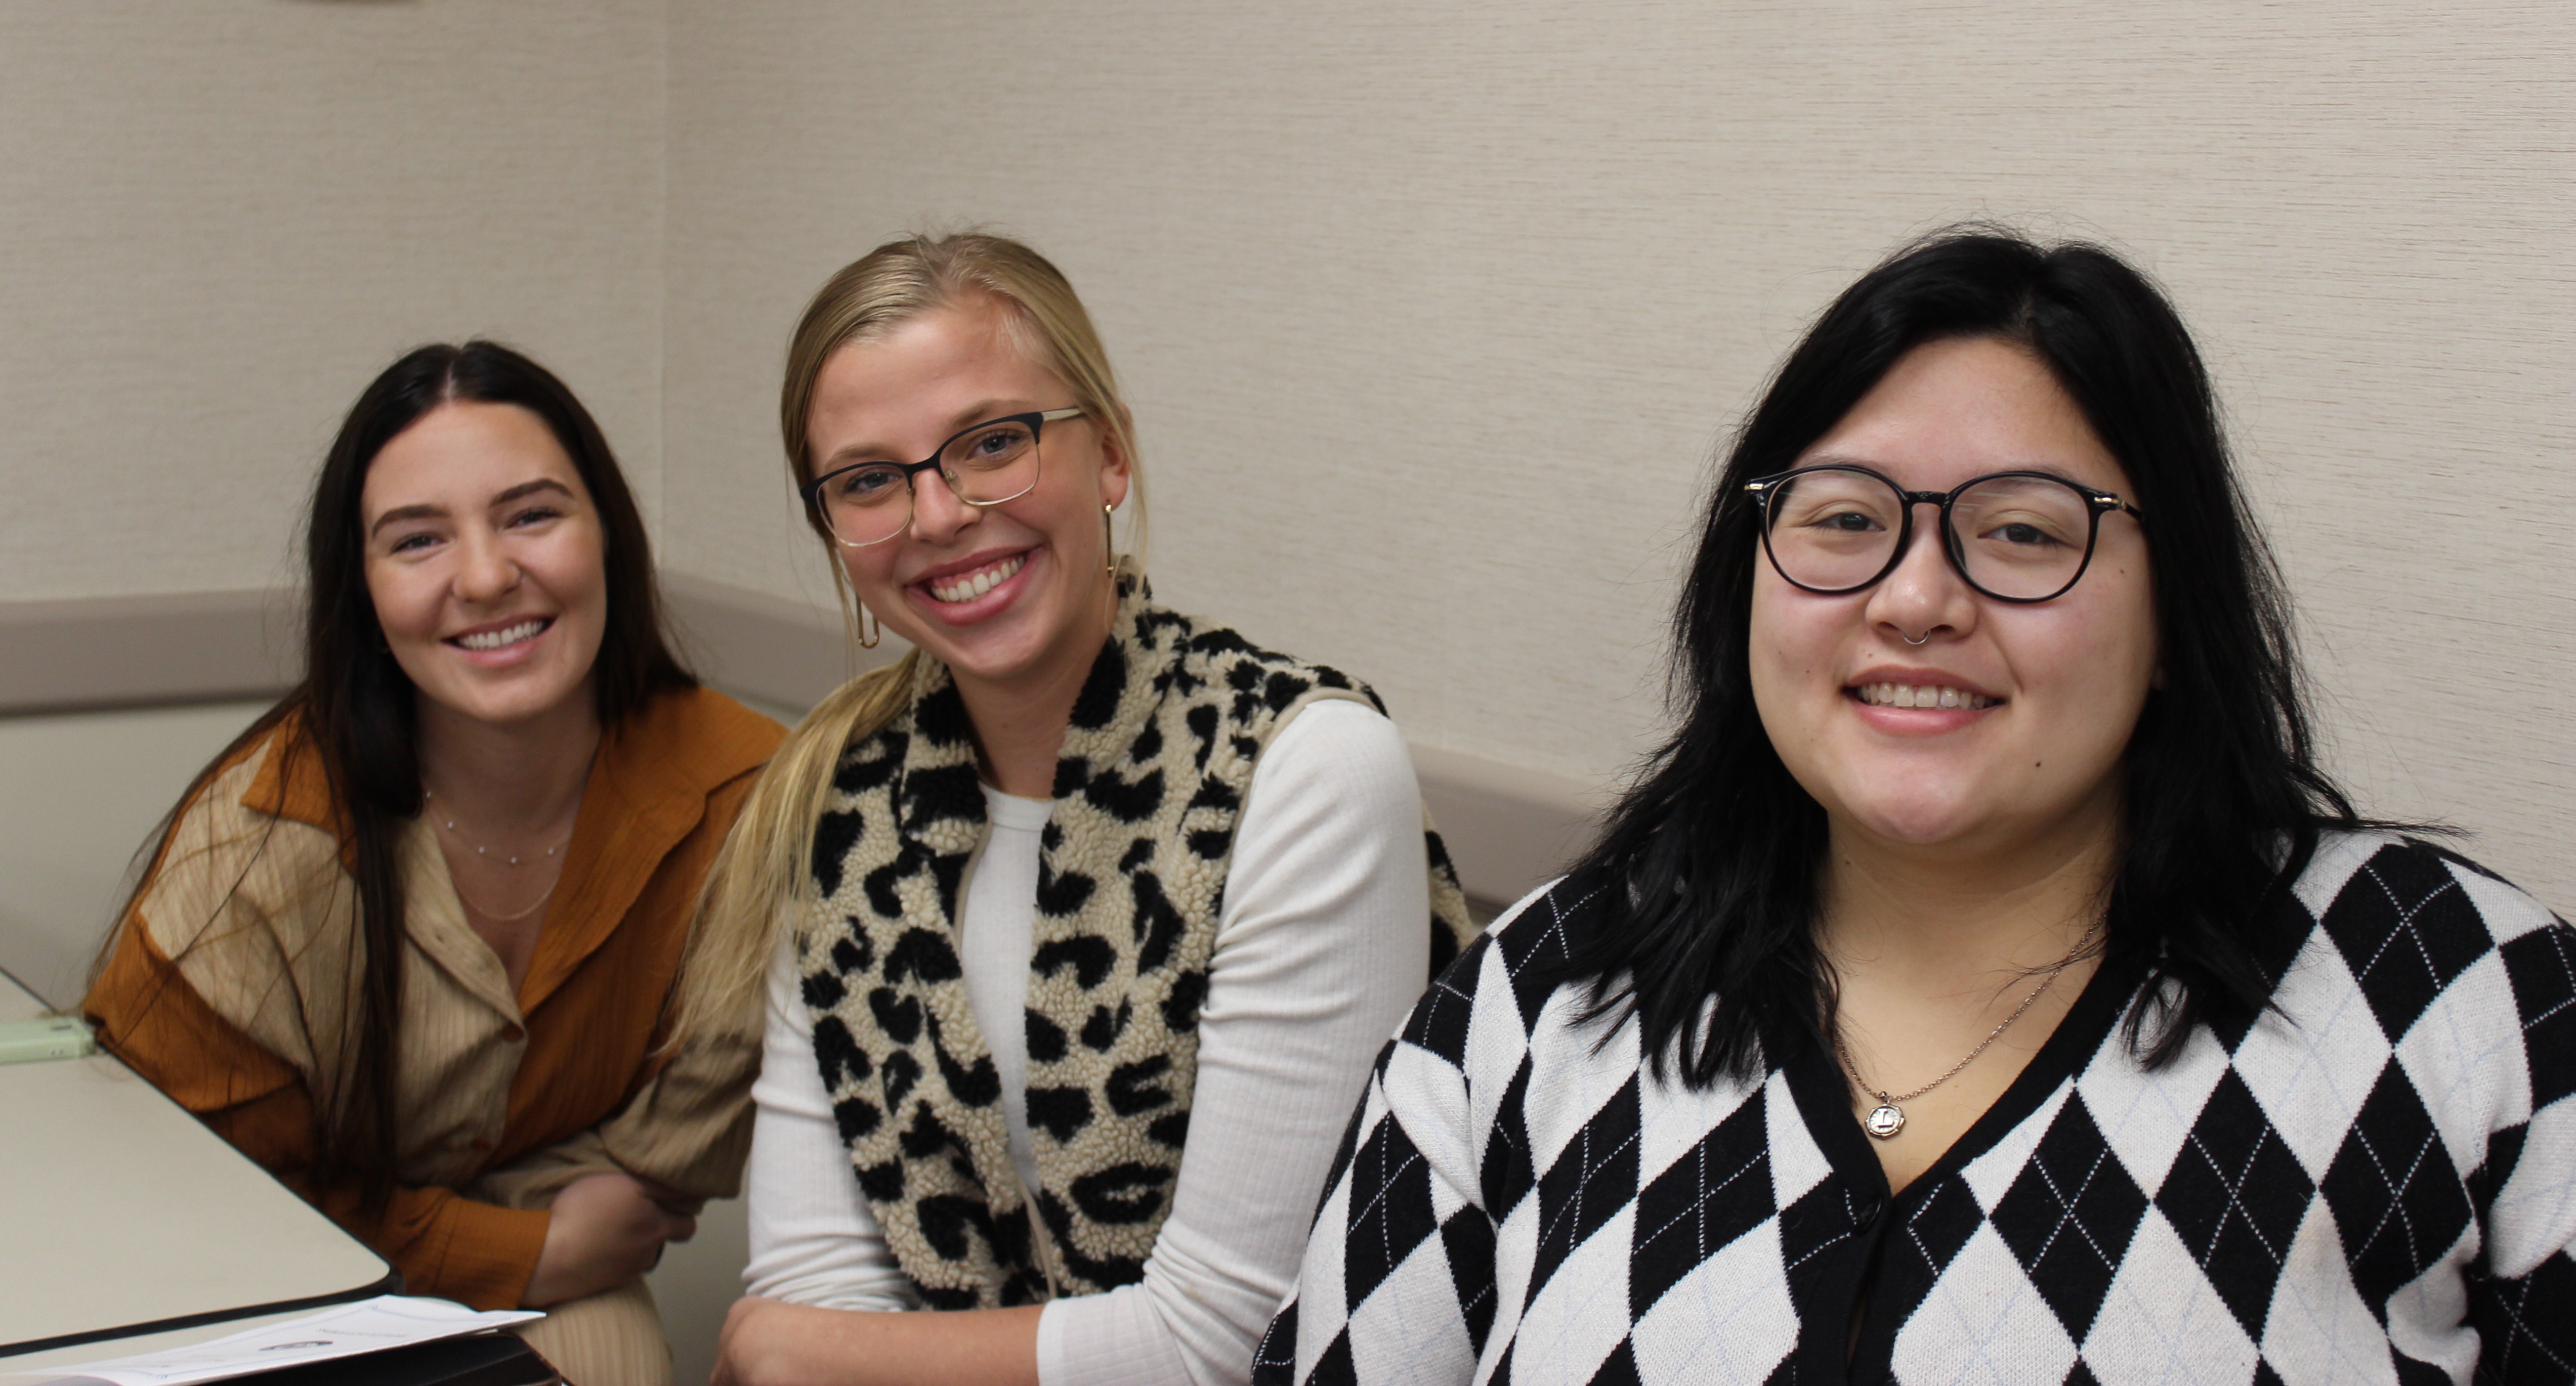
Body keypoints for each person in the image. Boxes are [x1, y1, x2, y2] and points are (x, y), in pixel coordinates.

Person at [1254, 231, 2573, 1384]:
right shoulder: (1546, 992)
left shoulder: (2457, 997)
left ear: (2176, 612)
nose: (1913, 597)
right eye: (1843, 519)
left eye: (2021, 533)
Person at [675, 232, 1476, 1386]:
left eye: (991, 443)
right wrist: (803, 1342)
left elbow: (1224, 1345)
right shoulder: (836, 801)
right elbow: (814, 1294)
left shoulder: (1299, 769)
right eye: (867, 480)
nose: (939, 513)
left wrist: (806, 1346)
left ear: (1109, 454)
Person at [84, 341, 785, 1384]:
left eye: (532, 514)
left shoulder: (753, 800)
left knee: (611, 1342)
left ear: (610, 537)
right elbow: (190, 1195)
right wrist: (520, 1245)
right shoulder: (265, 840)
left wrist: (536, 1249)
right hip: (241, 1307)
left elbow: (652, 1177)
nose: (486, 575)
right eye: (416, 540)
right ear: (361, 589)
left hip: (544, 1290)